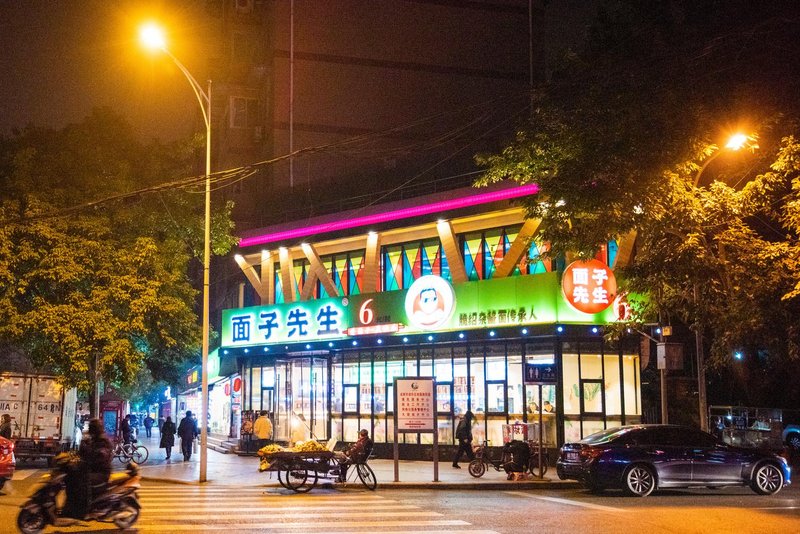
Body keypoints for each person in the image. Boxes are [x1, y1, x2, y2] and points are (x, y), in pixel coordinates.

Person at [65, 418, 112, 519]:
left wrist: (86, 450)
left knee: (82, 481)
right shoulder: (93, 439)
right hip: (92, 469)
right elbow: (84, 453)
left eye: (91, 428)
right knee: (71, 476)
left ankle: (83, 510)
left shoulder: (103, 441)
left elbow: (99, 456)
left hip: (101, 473)